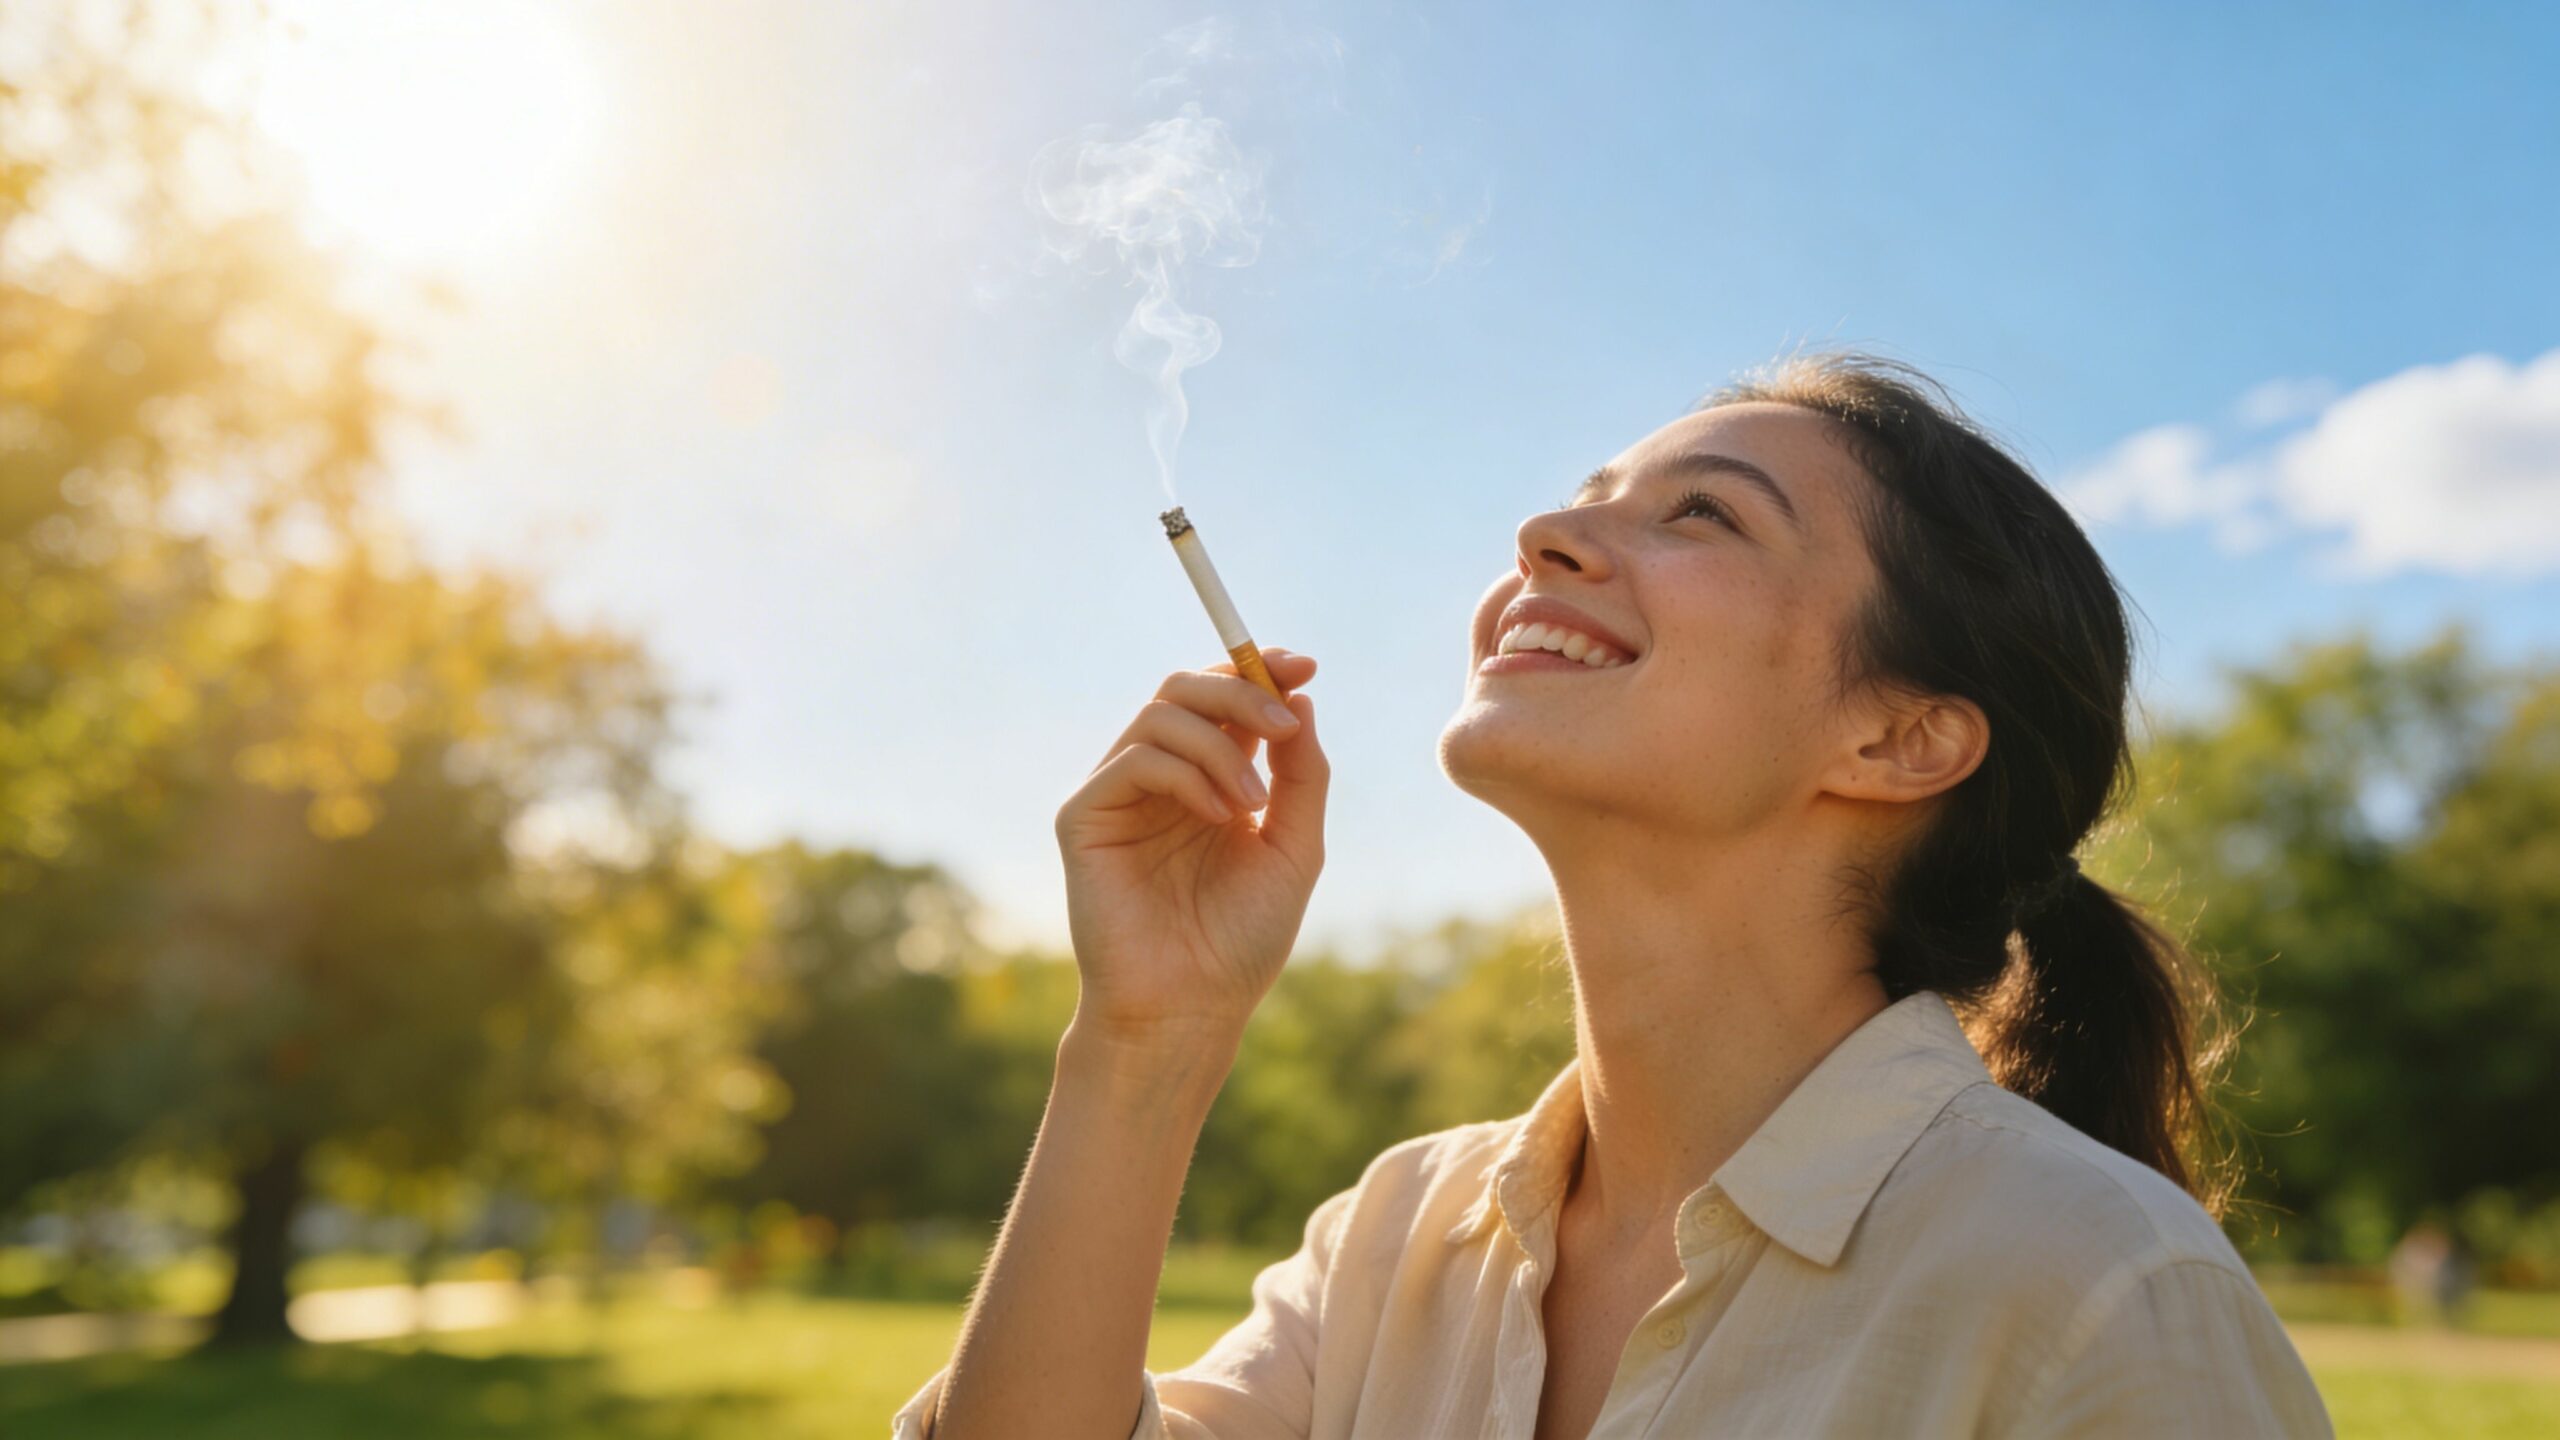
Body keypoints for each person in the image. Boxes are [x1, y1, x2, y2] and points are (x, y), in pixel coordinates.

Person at [895, 353, 2334, 1438]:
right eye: (1586, 499)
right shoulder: (1397, 1236)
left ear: (1899, 739)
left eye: (1702, 514)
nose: (1543, 535)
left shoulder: (2100, 1292)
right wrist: (1147, 1036)